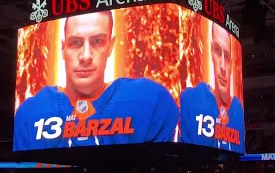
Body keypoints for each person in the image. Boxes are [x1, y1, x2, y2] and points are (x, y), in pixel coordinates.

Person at [13, 11, 179, 151]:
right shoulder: (31, 113)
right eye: (75, 43)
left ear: (110, 45)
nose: (86, 56)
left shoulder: (150, 100)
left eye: (97, 41)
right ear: (63, 49)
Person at [179, 22, 244, 154]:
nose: (222, 66)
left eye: (226, 56)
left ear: (231, 62)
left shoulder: (238, 111)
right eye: (217, 50)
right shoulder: (192, 99)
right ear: (211, 53)